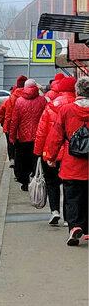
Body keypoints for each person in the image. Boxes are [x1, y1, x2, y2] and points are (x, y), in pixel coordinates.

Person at [44, 75, 89, 246]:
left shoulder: (66, 110)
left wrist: (51, 156)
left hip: (72, 163)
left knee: (72, 197)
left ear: (77, 91)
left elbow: (56, 135)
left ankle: (75, 227)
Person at [33, 75, 76, 226]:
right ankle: (67, 217)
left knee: (52, 182)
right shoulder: (77, 105)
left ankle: (54, 211)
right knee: (68, 185)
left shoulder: (50, 106)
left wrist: (38, 152)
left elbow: (41, 131)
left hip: (50, 152)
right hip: (71, 153)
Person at [9, 78, 47, 191]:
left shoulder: (19, 101)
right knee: (36, 159)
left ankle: (25, 182)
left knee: (23, 160)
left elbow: (14, 120)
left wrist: (12, 136)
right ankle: (36, 179)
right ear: (35, 87)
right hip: (38, 136)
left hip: (22, 137)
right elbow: (46, 119)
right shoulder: (42, 100)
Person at [0, 74, 28, 168]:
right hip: (25, 125)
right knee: (22, 144)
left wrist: (3, 123)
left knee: (10, 142)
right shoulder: (31, 96)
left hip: (11, 124)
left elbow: (3, 111)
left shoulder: (11, 98)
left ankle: (12, 159)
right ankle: (22, 162)